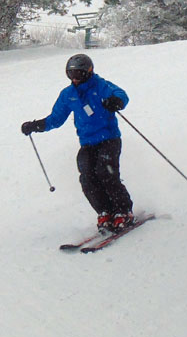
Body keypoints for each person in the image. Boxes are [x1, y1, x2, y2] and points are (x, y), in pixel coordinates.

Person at [21, 53, 134, 231]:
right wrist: (36, 126)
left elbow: (120, 94)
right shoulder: (68, 94)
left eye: (78, 75)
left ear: (88, 72)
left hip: (109, 139)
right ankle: (104, 210)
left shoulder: (100, 85)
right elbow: (56, 119)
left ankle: (123, 211)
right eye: (70, 75)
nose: (74, 79)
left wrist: (116, 101)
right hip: (87, 142)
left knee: (106, 172)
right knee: (87, 177)